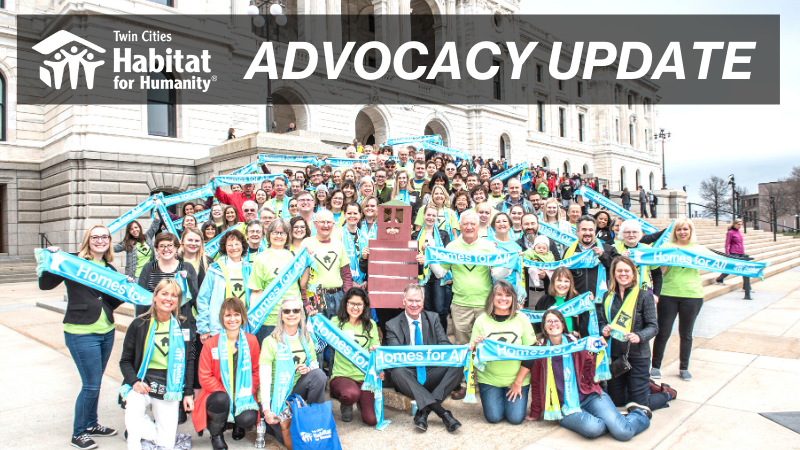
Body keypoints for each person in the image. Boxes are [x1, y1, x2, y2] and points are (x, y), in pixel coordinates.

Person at [39, 226, 125, 449]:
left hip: (106, 331)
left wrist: (124, 289)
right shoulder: (71, 261)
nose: (100, 240)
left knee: (95, 382)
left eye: (104, 237)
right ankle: (78, 433)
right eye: (95, 237)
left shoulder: (109, 268)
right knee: (91, 384)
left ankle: (92, 423)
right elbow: (45, 285)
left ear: (109, 242)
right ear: (87, 241)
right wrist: (52, 260)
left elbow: (110, 302)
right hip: (80, 332)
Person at [517, 310, 652, 441]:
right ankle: (614, 421)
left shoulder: (577, 344)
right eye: (549, 321)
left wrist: (598, 350)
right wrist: (535, 412)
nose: (553, 324)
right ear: (544, 327)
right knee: (594, 429)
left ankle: (639, 415)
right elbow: (536, 383)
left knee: (623, 433)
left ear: (563, 325)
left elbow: (591, 371)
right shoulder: (541, 352)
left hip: (589, 396)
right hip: (566, 406)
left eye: (556, 321)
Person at [121, 279, 195, 450]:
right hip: (144, 381)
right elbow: (125, 360)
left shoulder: (183, 325)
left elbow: (189, 361)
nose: (169, 298)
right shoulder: (139, 324)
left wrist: (188, 392)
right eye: (164, 293)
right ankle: (134, 444)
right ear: (154, 296)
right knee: (133, 403)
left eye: (174, 295)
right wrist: (134, 381)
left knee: (166, 444)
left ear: (178, 300)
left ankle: (155, 437)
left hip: (171, 384)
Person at [600, 256, 676, 413]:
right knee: (618, 402)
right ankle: (643, 386)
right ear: (613, 273)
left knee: (638, 405)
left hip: (638, 356)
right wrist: (604, 329)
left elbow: (653, 327)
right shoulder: (608, 297)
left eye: (627, 271)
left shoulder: (644, 296)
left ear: (633, 274)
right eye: (619, 270)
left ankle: (665, 394)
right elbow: (602, 321)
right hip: (616, 356)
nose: (623, 274)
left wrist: (639, 336)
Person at [384, 284, 463, 433]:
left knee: (458, 364)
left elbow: (445, 346)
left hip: (432, 371)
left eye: (418, 301)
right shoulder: (392, 325)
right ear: (403, 301)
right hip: (409, 376)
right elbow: (396, 357)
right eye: (410, 300)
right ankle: (442, 413)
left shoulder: (432, 318)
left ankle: (424, 411)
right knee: (397, 371)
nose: (414, 304)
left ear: (423, 301)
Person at [428, 210, 506, 345]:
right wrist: (430, 258)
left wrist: (510, 263)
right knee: (463, 345)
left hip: (485, 304)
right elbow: (440, 273)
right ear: (460, 225)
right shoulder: (452, 247)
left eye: (472, 223)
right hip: (460, 306)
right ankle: (465, 368)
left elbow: (497, 275)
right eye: (465, 224)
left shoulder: (488, 246)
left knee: (485, 344)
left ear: (478, 225)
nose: (469, 227)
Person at [192, 298, 260, 450]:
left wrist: (246, 391)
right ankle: (216, 435)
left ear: (242, 316)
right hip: (218, 394)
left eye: (236, 314)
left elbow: (256, 371)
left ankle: (237, 424)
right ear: (222, 318)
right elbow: (204, 376)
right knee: (221, 399)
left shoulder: (252, 341)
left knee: (248, 419)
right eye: (228, 315)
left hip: (243, 393)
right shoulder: (211, 343)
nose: (232, 319)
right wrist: (229, 393)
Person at [259, 298, 325, 446]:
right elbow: (264, 379)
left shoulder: (306, 337)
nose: (291, 314)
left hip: (295, 393)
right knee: (295, 442)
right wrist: (267, 410)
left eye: (296, 310)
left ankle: (314, 419)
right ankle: (270, 423)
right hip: (275, 398)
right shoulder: (270, 341)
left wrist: (308, 369)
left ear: (301, 314)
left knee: (319, 375)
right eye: (287, 311)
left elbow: (315, 365)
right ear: (281, 315)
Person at [470, 281, 536, 425]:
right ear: (492, 297)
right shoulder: (480, 321)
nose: (503, 298)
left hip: (517, 379)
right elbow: (474, 356)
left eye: (508, 295)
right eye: (499, 294)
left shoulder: (522, 319)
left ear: (513, 298)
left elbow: (531, 353)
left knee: (515, 419)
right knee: (493, 418)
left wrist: (518, 382)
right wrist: (477, 346)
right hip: (489, 379)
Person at [651, 218, 705, 382]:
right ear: (674, 232)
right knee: (663, 332)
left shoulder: (697, 249)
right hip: (669, 293)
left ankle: (684, 367)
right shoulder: (667, 247)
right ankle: (655, 366)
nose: (682, 232)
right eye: (679, 229)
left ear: (690, 231)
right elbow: (662, 271)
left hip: (692, 294)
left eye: (685, 229)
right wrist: (670, 256)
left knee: (686, 333)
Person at [248, 218, 311, 343]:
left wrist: (308, 262)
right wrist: (253, 318)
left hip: (294, 316)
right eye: (275, 232)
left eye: (283, 233)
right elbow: (256, 291)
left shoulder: (294, 256)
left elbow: (302, 285)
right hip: (269, 319)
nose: (279, 236)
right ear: (268, 234)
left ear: (287, 236)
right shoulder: (261, 258)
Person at [329, 288, 382, 425]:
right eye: (351, 303)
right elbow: (318, 339)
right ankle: (347, 403)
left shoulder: (371, 325)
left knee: (371, 420)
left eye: (359, 304)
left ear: (364, 306)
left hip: (365, 378)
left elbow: (377, 351)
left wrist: (379, 368)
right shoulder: (335, 322)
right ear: (345, 303)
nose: (355, 307)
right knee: (351, 393)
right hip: (342, 375)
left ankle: (360, 399)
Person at [196, 229, 252, 343]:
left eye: (237, 244)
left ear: (243, 246)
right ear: (224, 247)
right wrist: (203, 328)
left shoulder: (250, 269)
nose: (234, 248)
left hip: (244, 326)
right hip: (219, 326)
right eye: (230, 245)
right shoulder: (215, 269)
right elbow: (203, 299)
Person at [301, 210, 353, 319]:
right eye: (322, 222)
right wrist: (306, 301)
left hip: (338, 294)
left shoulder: (339, 245)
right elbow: (302, 276)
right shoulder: (306, 243)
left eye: (329, 222)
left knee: (338, 328)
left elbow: (346, 274)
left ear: (333, 224)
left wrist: (347, 298)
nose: (326, 225)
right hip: (317, 293)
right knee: (319, 330)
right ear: (315, 224)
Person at [136, 232, 198, 319]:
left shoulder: (187, 267)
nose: (166, 249)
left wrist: (189, 280)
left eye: (170, 245)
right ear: (157, 249)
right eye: (161, 246)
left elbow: (195, 299)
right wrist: (140, 321)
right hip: (153, 320)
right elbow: (141, 297)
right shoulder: (148, 268)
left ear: (176, 248)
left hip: (181, 320)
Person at [412, 203, 453, 330]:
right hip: (422, 277)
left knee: (440, 309)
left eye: (433, 215)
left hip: (439, 277)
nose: (430, 217)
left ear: (437, 218)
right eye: (428, 215)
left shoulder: (443, 234)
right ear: (423, 215)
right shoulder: (414, 235)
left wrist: (432, 252)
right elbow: (410, 256)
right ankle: (429, 336)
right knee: (426, 308)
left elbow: (447, 255)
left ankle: (441, 336)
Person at [567, 216, 619, 301]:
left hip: (603, 302)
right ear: (577, 232)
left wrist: (603, 256)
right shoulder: (569, 252)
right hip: (577, 301)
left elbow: (619, 267)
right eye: (584, 229)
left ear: (595, 231)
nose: (588, 233)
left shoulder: (608, 249)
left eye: (591, 230)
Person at [615, 220, 663, 299]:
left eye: (634, 232)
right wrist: (619, 258)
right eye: (627, 232)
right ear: (622, 234)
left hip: (644, 291)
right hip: (620, 292)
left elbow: (657, 273)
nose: (631, 235)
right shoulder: (613, 248)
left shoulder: (648, 249)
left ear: (639, 234)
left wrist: (656, 295)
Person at [114, 218, 161, 283]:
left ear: (139, 228)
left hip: (150, 275)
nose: (134, 230)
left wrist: (157, 209)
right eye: (131, 229)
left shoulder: (147, 237)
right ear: (129, 232)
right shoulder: (128, 243)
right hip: (136, 277)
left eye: (136, 227)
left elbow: (155, 225)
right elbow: (114, 248)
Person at [339, 201, 370, 290]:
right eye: (349, 213)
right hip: (344, 284)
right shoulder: (337, 235)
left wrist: (366, 281)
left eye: (355, 213)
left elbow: (369, 261)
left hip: (362, 284)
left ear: (360, 215)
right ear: (345, 215)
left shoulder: (365, 237)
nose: (352, 216)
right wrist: (350, 282)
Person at [716, 218, 744, 285]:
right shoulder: (730, 232)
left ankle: (746, 286)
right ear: (734, 224)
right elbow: (727, 244)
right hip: (734, 252)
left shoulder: (739, 232)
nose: (740, 226)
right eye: (738, 224)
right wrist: (728, 254)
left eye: (741, 224)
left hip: (742, 252)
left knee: (744, 268)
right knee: (731, 267)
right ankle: (719, 279)